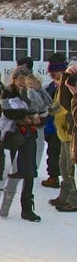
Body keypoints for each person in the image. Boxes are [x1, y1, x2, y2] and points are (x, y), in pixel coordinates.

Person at [0, 66, 41, 221]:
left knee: (29, 172)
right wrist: (26, 115)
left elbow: (40, 108)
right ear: (14, 79)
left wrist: (34, 116)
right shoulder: (7, 92)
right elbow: (7, 111)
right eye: (20, 79)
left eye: (25, 78)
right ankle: (5, 205)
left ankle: (27, 208)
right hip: (14, 136)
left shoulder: (31, 92)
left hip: (29, 135)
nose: (23, 82)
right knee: (15, 174)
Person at [49, 61, 77, 212]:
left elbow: (65, 107)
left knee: (70, 169)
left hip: (70, 133)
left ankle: (73, 199)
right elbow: (58, 105)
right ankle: (65, 196)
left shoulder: (67, 87)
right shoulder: (59, 87)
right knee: (63, 167)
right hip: (63, 133)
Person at [41, 53, 67, 188]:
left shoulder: (68, 85)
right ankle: (54, 177)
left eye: (54, 72)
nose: (51, 75)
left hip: (64, 126)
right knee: (53, 153)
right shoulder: (52, 86)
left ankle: (59, 180)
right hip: (53, 126)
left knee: (63, 157)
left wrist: (49, 110)